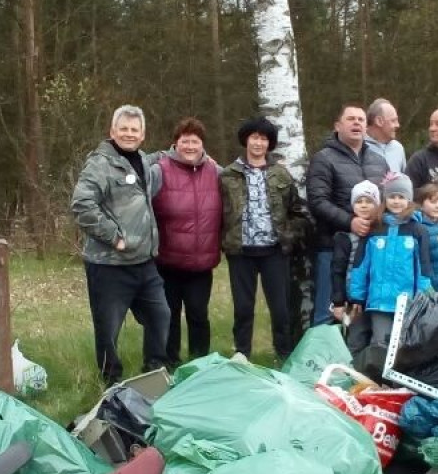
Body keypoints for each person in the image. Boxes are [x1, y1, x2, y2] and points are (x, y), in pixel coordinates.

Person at [71, 104, 170, 384]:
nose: (129, 134)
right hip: (110, 265)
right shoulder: (100, 164)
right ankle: (111, 383)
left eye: (134, 129)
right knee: (109, 330)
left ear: (142, 134)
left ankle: (154, 375)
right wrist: (114, 236)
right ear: (112, 131)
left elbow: (163, 164)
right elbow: (82, 205)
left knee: (160, 315)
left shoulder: (143, 162)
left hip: (145, 263)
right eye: (123, 128)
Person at [219, 117, 311, 361]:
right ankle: (242, 354)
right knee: (243, 308)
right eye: (254, 137)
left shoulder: (280, 174)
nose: (258, 143)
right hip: (241, 252)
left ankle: (284, 354)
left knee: (280, 309)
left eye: (263, 138)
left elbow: (299, 211)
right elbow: (217, 211)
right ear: (245, 140)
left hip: (274, 251)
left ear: (269, 144)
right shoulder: (228, 175)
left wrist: (288, 234)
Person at [306, 103, 390, 325]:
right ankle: (323, 357)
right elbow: (317, 201)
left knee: (364, 310)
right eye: (350, 119)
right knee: (329, 311)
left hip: (370, 247)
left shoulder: (378, 161)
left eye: (361, 120)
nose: (357, 123)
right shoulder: (323, 158)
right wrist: (350, 222)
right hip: (333, 247)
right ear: (337, 126)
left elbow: (387, 200)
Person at [149, 117, 222, 369]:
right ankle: (169, 364)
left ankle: (200, 364)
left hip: (201, 264)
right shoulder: (159, 170)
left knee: (198, 315)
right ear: (175, 144)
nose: (190, 146)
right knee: (168, 316)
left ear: (203, 145)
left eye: (195, 141)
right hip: (167, 262)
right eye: (185, 141)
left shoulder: (216, 172)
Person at [347, 172, 434, 345]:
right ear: (385, 199)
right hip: (379, 302)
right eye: (392, 196)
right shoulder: (374, 229)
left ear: (409, 200)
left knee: (402, 345)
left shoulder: (418, 231)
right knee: (380, 343)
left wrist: (422, 298)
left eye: (401, 197)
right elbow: (361, 264)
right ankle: (374, 372)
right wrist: (357, 296)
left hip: (406, 303)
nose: (396, 201)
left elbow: (423, 268)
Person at [331, 180, 382, 353]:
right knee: (356, 339)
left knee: (378, 339)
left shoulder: (383, 232)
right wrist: (338, 302)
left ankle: (375, 378)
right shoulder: (344, 237)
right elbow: (337, 270)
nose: (364, 205)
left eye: (369, 201)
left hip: (378, 296)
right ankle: (352, 375)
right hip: (354, 299)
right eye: (359, 201)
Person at [364, 98, 407, 173]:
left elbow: (404, 181)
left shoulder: (398, 148)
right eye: (393, 121)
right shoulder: (359, 146)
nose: (398, 125)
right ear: (379, 121)